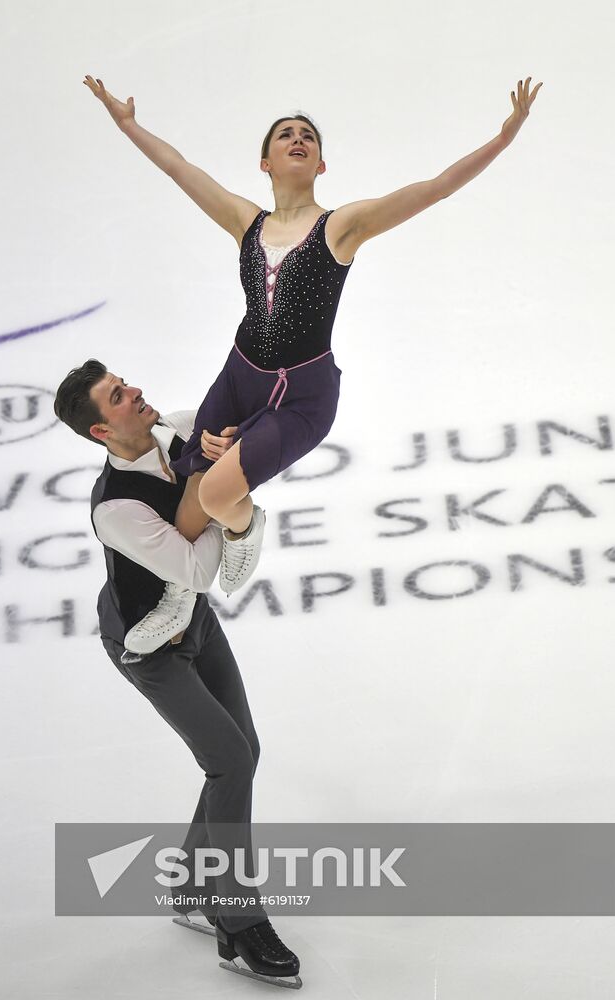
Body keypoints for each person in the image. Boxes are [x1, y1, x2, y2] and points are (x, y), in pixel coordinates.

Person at [83, 73, 542, 654]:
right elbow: (180, 170)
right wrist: (128, 125)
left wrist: (504, 136)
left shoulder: (340, 228)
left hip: (303, 396)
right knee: (191, 489)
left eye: (307, 136)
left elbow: (434, 188)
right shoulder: (246, 223)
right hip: (240, 375)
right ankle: (181, 593)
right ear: (265, 162)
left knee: (220, 496)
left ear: (321, 164)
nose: (297, 139)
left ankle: (247, 529)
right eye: (284, 136)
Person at [53, 360, 303, 989]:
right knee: (230, 762)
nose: (135, 391)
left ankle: (192, 886)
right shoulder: (116, 508)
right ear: (101, 433)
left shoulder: (181, 430)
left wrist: (228, 450)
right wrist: (227, 506)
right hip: (148, 644)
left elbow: (243, 431)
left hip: (192, 623)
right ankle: (238, 921)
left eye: (124, 381)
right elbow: (195, 571)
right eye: (117, 396)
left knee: (242, 751)